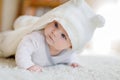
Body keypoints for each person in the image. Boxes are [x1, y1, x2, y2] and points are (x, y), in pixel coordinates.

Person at [0, 0, 105, 72]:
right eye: (56, 25)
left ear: (71, 46)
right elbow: (22, 50)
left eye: (63, 36)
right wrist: (28, 65)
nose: (55, 32)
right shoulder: (36, 38)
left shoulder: (67, 52)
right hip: (10, 42)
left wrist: (74, 62)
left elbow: (72, 56)